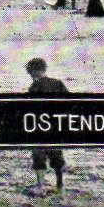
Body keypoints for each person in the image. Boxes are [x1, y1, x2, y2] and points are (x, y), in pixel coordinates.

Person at [25, 57, 69, 194]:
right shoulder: (58, 83)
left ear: (33, 72)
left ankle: (40, 184)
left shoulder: (34, 87)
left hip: (40, 128)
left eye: (30, 73)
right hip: (56, 127)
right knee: (57, 156)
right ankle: (60, 185)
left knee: (39, 156)